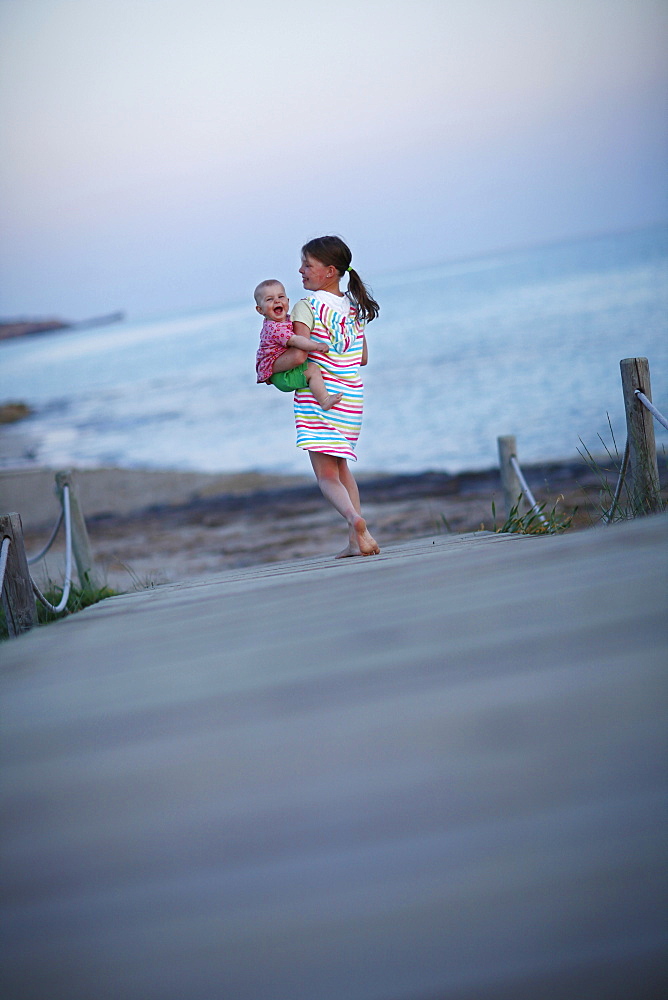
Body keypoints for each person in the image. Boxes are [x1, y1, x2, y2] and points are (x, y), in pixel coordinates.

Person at [290, 235, 380, 557]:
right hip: (352, 398)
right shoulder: (354, 307)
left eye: (307, 265)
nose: (300, 271)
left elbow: (299, 357)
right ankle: (356, 541)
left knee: (326, 477)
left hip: (321, 398)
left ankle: (354, 519)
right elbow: (362, 357)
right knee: (342, 471)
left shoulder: (307, 306)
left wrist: (271, 367)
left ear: (329, 271)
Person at [255, 280, 343, 411]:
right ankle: (324, 400)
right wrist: (316, 346)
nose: (277, 301)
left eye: (281, 297)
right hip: (281, 376)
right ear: (260, 309)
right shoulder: (274, 328)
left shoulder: (287, 319)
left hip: (282, 369)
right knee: (313, 369)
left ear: (288, 301)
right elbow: (296, 340)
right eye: (269, 299)